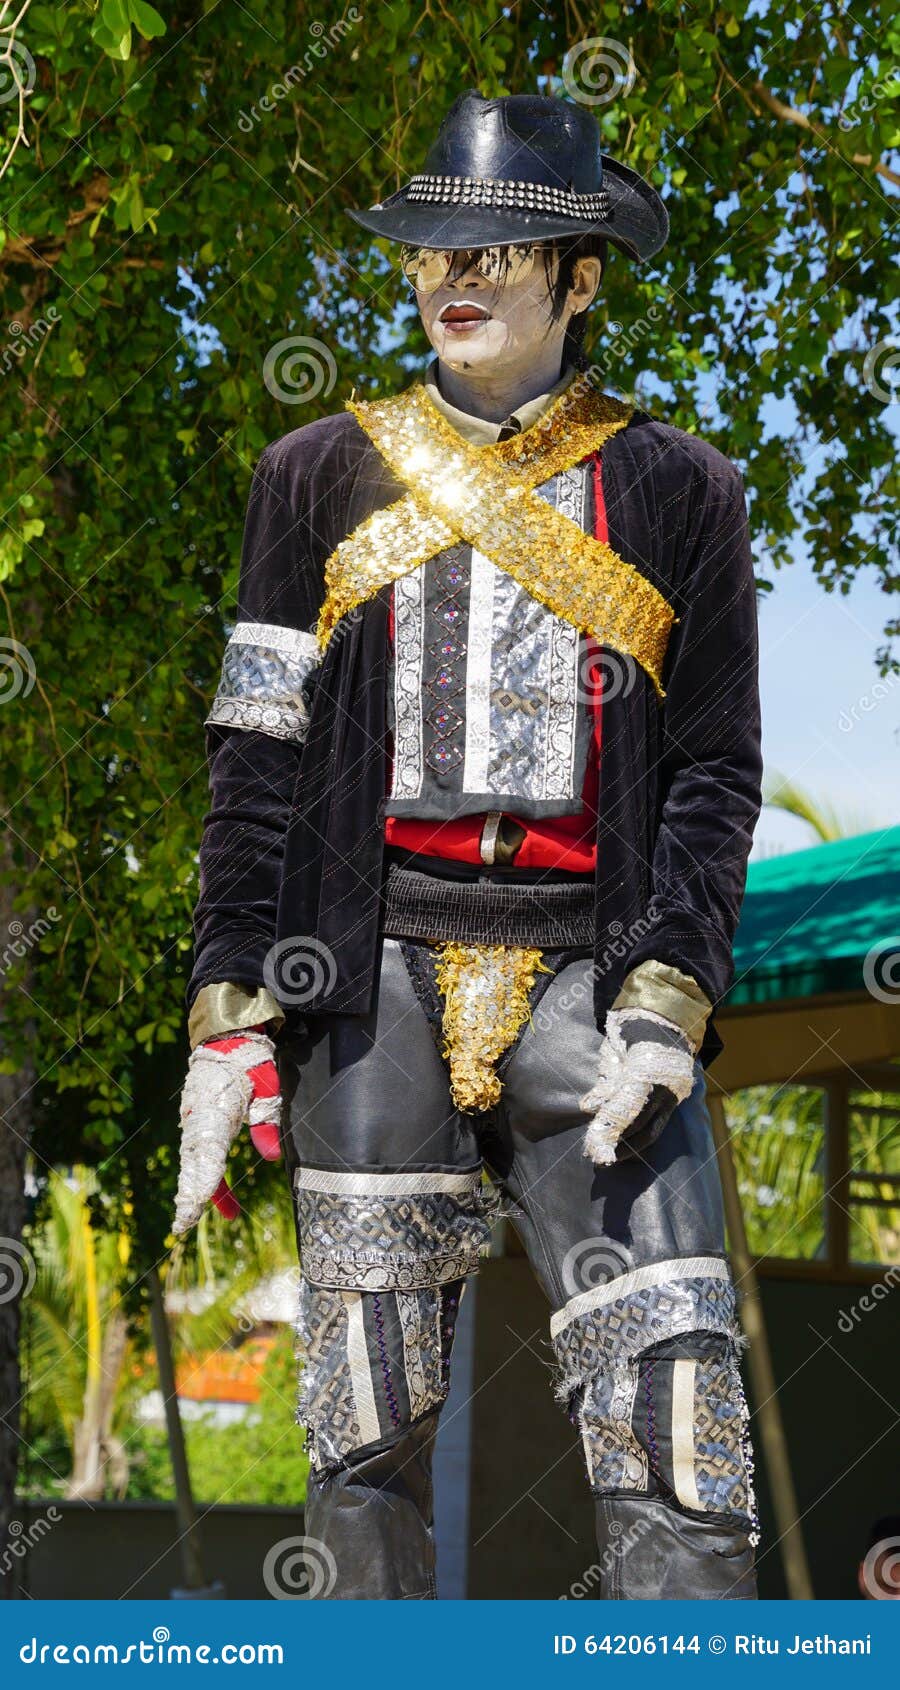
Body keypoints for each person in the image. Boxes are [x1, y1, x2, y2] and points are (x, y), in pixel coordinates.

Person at [173, 90, 763, 1600]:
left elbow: (712, 771)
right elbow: (256, 758)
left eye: (502, 249)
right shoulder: (312, 474)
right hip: (364, 976)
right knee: (360, 1440)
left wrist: (667, 1005)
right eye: (438, 244)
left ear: (580, 278)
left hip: (602, 977)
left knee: (681, 1419)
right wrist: (232, 1020)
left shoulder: (685, 493)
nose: (459, 272)